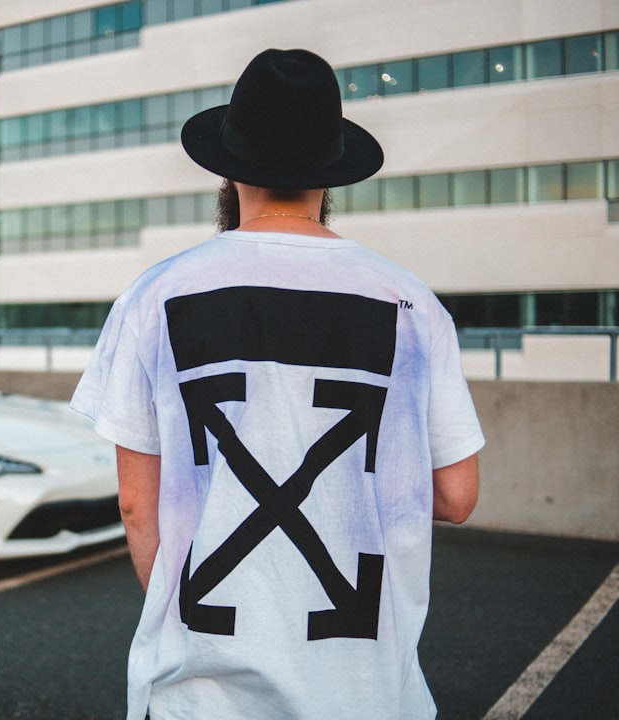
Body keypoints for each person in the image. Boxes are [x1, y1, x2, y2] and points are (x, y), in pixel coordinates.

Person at [70, 48, 483, 720]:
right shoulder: (411, 304)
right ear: (332, 173)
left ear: (230, 169)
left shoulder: (156, 297)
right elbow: (457, 495)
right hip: (366, 693)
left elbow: (138, 507)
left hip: (201, 697)